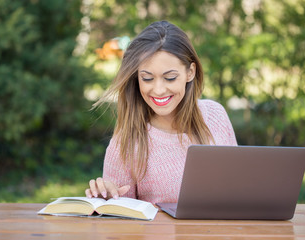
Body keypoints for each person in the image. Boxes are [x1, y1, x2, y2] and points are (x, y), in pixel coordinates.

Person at [85, 21, 237, 204]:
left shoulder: (216, 116)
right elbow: (121, 221)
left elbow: (237, 188)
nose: (158, 90)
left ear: (190, 72)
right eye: (147, 78)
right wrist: (108, 199)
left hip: (221, 232)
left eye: (170, 78)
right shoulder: (126, 143)